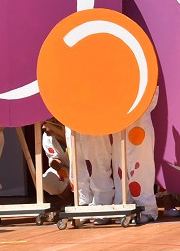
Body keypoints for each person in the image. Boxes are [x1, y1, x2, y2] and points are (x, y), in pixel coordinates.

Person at [70, 91, 160, 224]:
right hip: (95, 91)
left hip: (133, 90)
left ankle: (145, 207)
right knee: (99, 153)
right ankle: (109, 202)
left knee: (137, 151)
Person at [41, 118, 73, 219]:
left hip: (81, 166)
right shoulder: (46, 137)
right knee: (47, 180)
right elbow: (53, 158)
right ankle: (69, 201)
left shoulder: (72, 132)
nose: (43, 127)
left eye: (46, 123)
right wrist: (58, 168)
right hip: (65, 167)